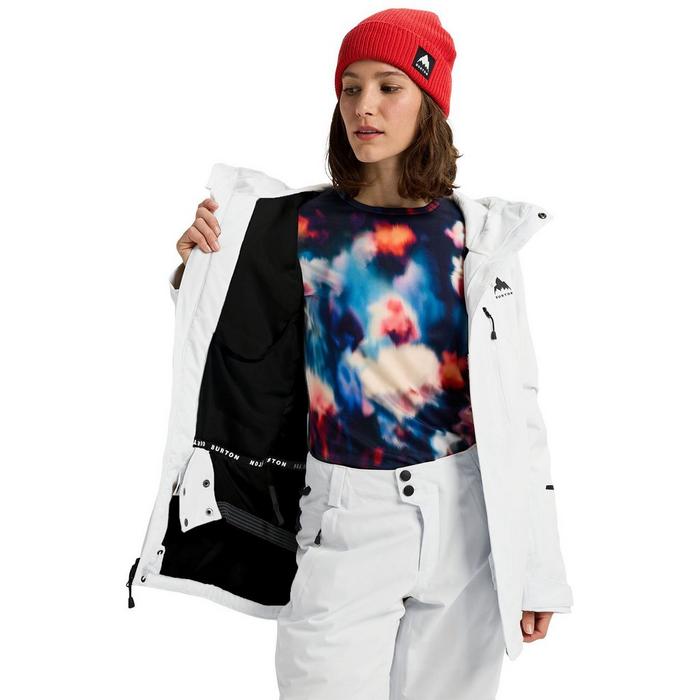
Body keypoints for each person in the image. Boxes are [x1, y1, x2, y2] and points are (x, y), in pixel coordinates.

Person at [167, 8, 573, 699]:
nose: (365, 106)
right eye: (351, 88)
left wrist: (538, 569)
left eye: (389, 87)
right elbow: (230, 344)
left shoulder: (479, 237)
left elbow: (519, 408)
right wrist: (199, 268)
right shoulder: (297, 225)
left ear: (430, 102)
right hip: (347, 515)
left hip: (468, 518)